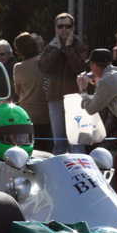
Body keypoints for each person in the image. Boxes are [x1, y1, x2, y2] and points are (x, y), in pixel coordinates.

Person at [77, 48, 117, 190]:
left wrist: (83, 89)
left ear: (94, 66)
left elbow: (90, 109)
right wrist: (98, 83)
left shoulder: (106, 82)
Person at [38, 12, 89, 155]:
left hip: (74, 99)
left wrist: (67, 49)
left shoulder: (80, 47)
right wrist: (58, 49)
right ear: (56, 29)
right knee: (59, 142)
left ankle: (80, 171)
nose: (64, 30)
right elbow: (43, 67)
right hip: (54, 99)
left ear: (73, 28)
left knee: (76, 142)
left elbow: (78, 68)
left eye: (67, 26)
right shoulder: (50, 47)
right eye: (60, 26)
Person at [13, 32, 52, 152]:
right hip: (47, 115)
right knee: (46, 151)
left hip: (26, 116)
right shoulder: (46, 62)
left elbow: (18, 92)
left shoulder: (18, 67)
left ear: (19, 50)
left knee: (27, 151)